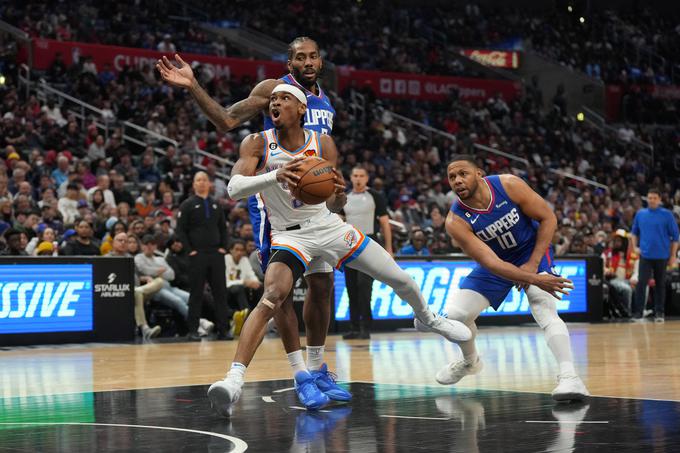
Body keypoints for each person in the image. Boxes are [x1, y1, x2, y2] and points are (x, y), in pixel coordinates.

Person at [206, 84, 472, 417]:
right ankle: (233, 381)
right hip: (290, 237)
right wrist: (275, 175)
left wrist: (339, 197)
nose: (275, 102)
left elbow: (330, 198)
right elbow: (233, 188)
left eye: (284, 98)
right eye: (272, 99)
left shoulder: (323, 143)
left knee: (396, 277)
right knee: (272, 294)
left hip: (329, 227)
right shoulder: (258, 142)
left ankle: (430, 318)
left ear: (302, 109)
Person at [158, 37, 341, 403]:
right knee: (280, 291)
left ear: (320, 62)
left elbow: (325, 161)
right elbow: (226, 119)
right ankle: (300, 374)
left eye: (313, 56)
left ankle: (319, 369)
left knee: (322, 286)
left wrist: (335, 199)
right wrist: (193, 86)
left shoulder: (325, 100)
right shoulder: (274, 90)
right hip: (276, 205)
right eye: (299, 57)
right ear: (289, 63)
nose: (307, 62)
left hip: (316, 208)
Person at [435, 155, 588, 402]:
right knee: (456, 316)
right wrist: (533, 277)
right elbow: (491, 263)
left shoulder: (509, 185)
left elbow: (548, 218)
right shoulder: (455, 221)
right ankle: (470, 361)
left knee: (543, 306)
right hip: (496, 263)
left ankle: (570, 377)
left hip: (532, 252)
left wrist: (534, 267)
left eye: (463, 173)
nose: (457, 180)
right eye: (452, 177)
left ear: (479, 174)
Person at [175, 172, 232, 340]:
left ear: (209, 184)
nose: (201, 183)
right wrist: (189, 250)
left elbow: (223, 228)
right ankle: (193, 330)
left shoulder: (216, 205)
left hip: (216, 254)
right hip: (197, 254)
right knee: (196, 293)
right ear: (193, 184)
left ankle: (224, 329)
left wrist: (224, 247)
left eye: (204, 180)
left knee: (220, 292)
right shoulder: (187, 205)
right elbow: (180, 230)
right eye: (198, 180)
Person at [342, 165, 393, 340]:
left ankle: (366, 326)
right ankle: (354, 327)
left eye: (361, 175)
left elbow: (385, 223)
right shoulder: (344, 197)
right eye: (355, 175)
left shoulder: (375, 196)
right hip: (348, 246)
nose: (358, 178)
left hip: (369, 244)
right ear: (350, 178)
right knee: (351, 288)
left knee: (364, 286)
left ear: (367, 178)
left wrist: (389, 248)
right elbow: (339, 223)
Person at [135, 234, 215, 336]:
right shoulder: (139, 258)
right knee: (177, 301)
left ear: (155, 247)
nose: (149, 247)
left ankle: (197, 328)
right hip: (155, 290)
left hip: (169, 286)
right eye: (146, 244)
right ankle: (199, 322)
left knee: (190, 298)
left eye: (152, 244)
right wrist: (159, 271)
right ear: (142, 246)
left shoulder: (160, 259)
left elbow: (171, 275)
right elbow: (144, 269)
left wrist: (156, 272)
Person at [630, 188, 679, 323]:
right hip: (645, 255)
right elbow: (633, 233)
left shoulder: (667, 215)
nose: (652, 200)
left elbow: (675, 237)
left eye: (654, 198)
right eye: (650, 198)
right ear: (647, 199)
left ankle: (659, 313)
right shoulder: (641, 214)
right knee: (641, 284)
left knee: (660, 285)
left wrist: (673, 255)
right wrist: (635, 247)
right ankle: (638, 313)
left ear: (659, 200)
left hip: (662, 255)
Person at [107, 232, 162, 340]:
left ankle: (138, 291)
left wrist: (146, 278)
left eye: (125, 241)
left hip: (137, 290)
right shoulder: (106, 259)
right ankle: (145, 329)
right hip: (119, 293)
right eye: (120, 240)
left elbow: (138, 276)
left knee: (159, 281)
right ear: (113, 243)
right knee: (137, 294)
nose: (123, 243)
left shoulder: (130, 258)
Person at [225, 239, 262, 336]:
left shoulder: (244, 260)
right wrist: (244, 282)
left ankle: (260, 318)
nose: (239, 252)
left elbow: (251, 275)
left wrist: (256, 283)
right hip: (227, 291)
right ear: (231, 250)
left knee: (259, 287)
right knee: (239, 288)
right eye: (237, 250)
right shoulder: (225, 259)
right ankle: (247, 318)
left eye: (242, 250)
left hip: (241, 289)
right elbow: (226, 282)